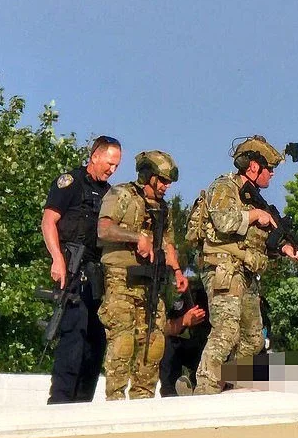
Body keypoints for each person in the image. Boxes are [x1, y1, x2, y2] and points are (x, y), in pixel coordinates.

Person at [193, 135, 298, 395]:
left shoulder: (254, 198)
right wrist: (256, 215)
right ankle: (204, 391)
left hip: (246, 272)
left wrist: (288, 249)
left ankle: (229, 386)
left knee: (254, 338)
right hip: (223, 268)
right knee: (226, 331)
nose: (273, 175)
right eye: (270, 169)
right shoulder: (225, 186)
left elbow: (260, 241)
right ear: (253, 167)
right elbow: (223, 221)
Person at [97, 150, 188, 400]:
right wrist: (137, 237)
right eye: (163, 180)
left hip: (152, 281)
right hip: (121, 278)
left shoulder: (163, 208)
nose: (167, 186)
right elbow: (104, 229)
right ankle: (114, 401)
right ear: (148, 176)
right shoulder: (122, 194)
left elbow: (168, 244)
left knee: (153, 343)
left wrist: (178, 272)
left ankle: (143, 403)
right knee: (123, 342)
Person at [41, 135, 122, 404]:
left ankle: (83, 404)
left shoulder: (111, 194)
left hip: (99, 274)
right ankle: (60, 402)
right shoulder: (71, 183)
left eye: (116, 166)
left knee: (96, 342)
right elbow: (49, 221)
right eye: (109, 163)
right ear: (95, 156)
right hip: (72, 270)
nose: (112, 169)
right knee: (73, 338)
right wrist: (57, 259)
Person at [159, 285, 210, 396]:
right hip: (181, 348)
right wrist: (183, 321)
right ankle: (170, 391)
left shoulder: (210, 293)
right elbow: (161, 330)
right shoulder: (171, 292)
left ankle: (199, 385)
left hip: (206, 348)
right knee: (167, 344)